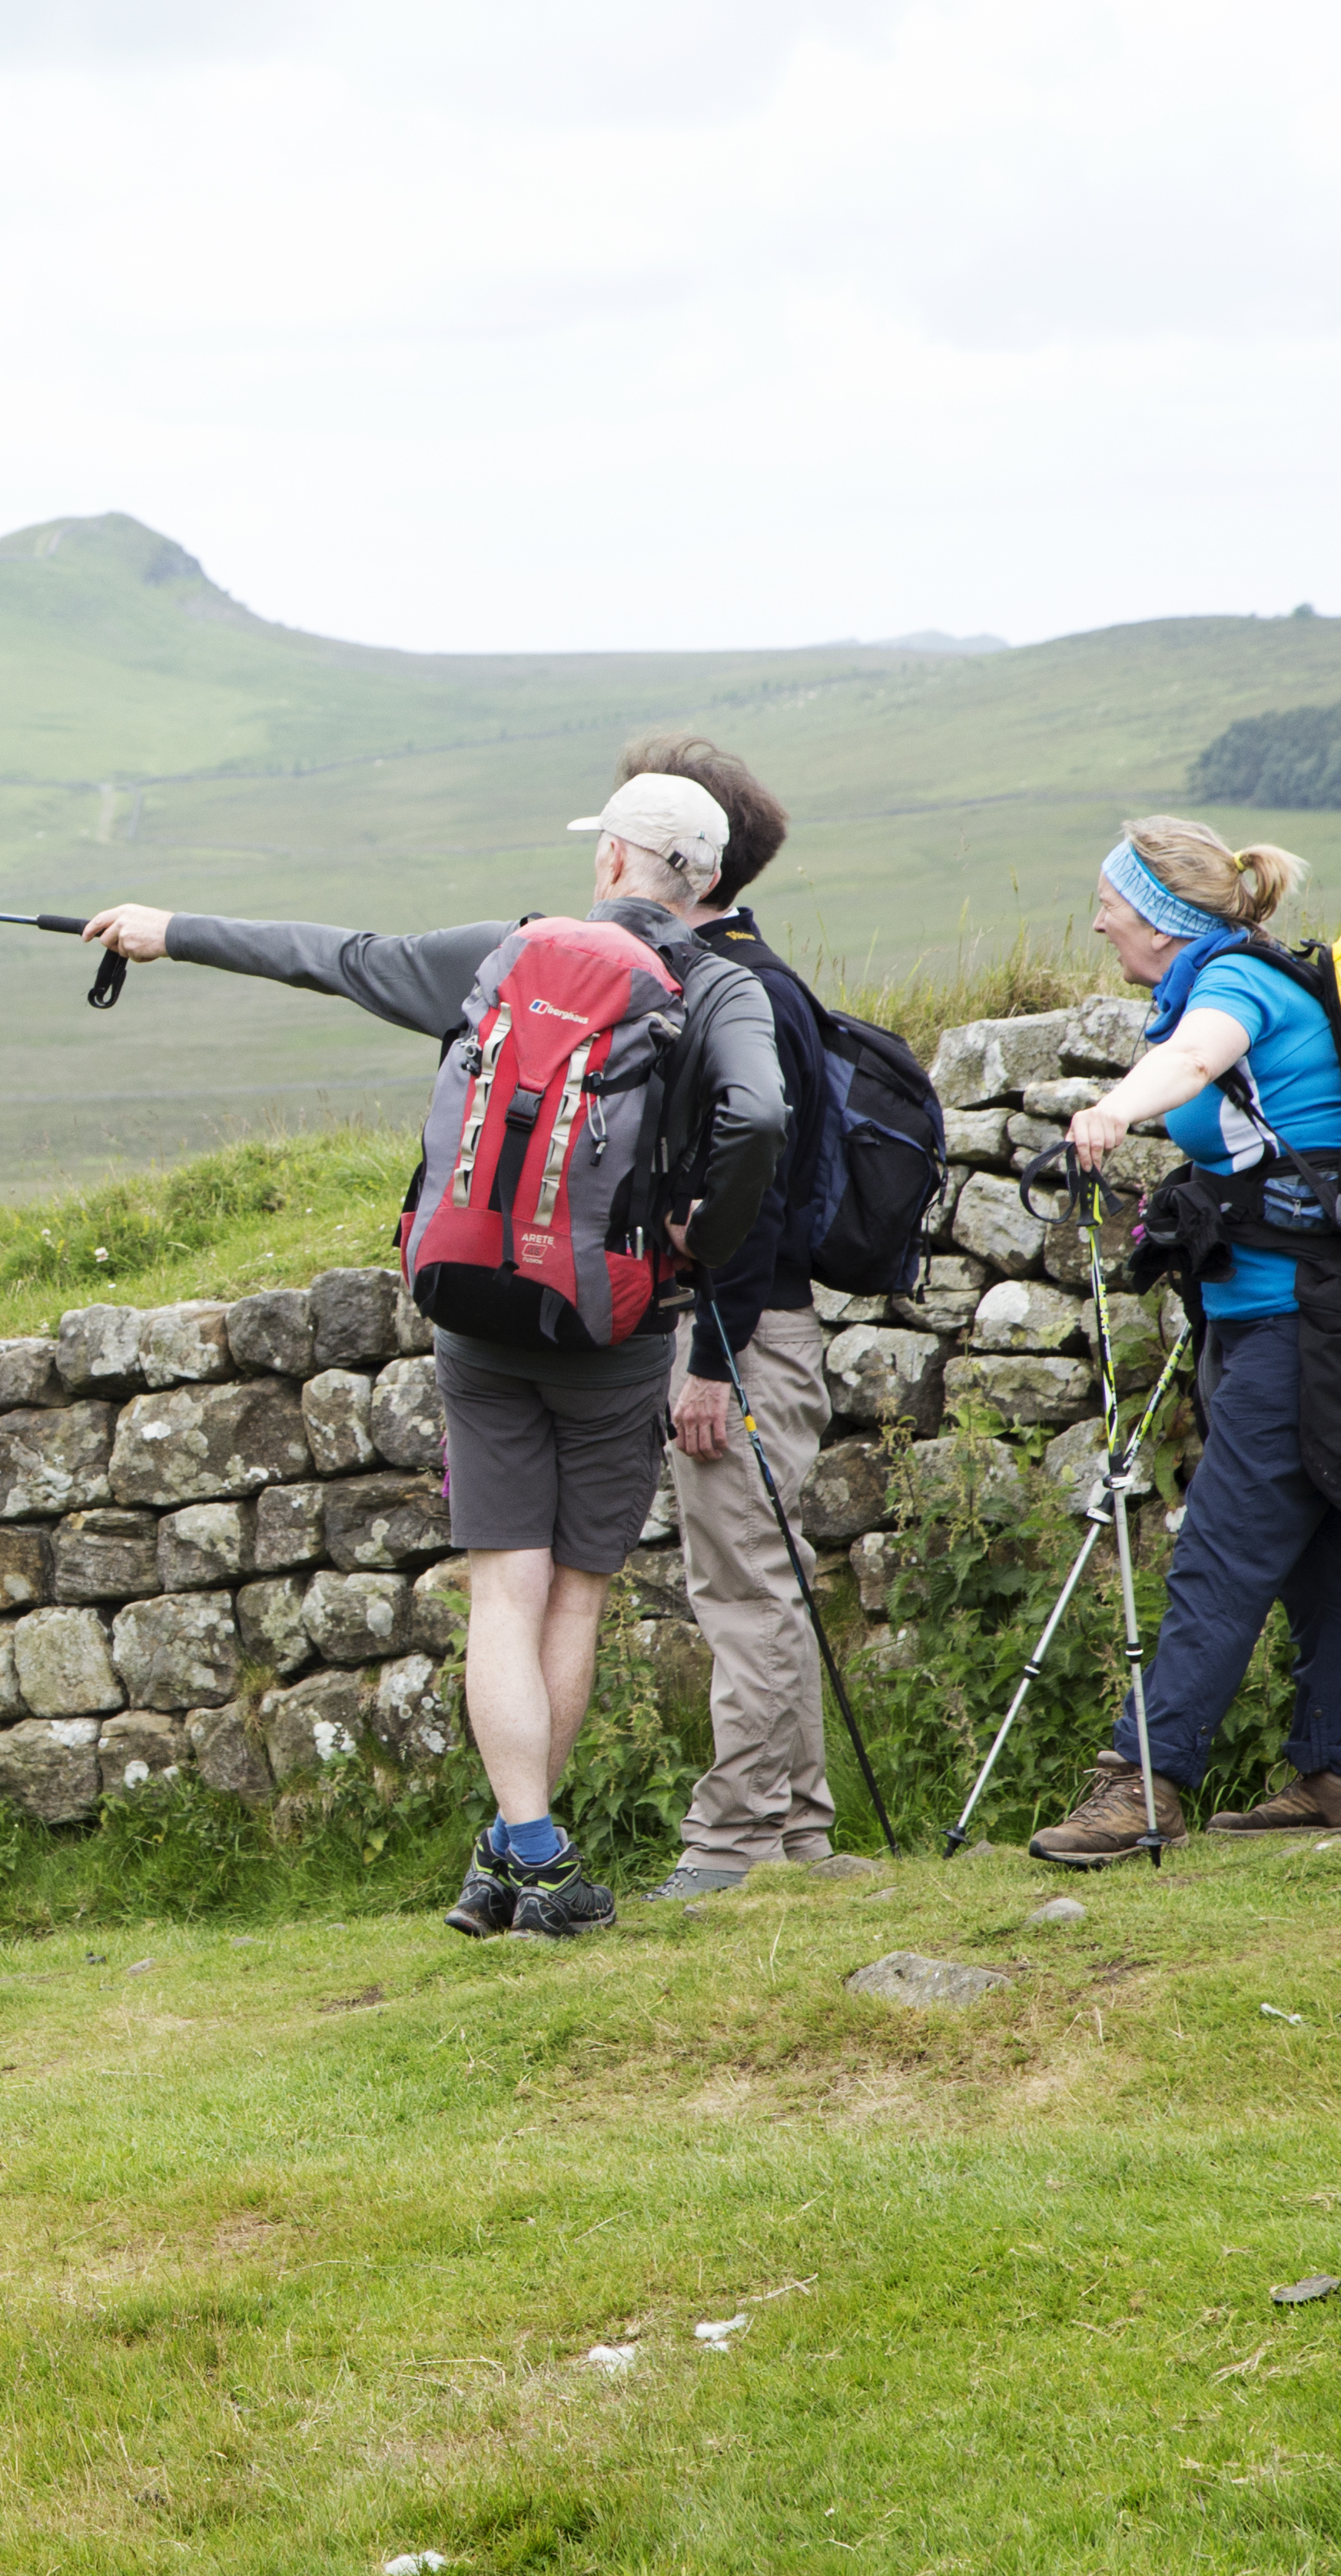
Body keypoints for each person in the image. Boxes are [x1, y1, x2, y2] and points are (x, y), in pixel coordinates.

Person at [85, 770, 788, 1940]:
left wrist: (174, 932)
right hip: (612, 1327)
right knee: (574, 1593)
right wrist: (697, 1242)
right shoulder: (722, 989)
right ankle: (533, 1855)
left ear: (614, 860)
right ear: (705, 878)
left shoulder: (501, 954)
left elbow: (341, 955)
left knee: (503, 1589)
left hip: (471, 1314)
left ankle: (513, 1855)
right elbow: (758, 1122)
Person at [1031, 815, 1341, 1867]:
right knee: (1324, 1554)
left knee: (1223, 1551)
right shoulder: (1233, 978)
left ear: (1161, 917)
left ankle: (1143, 1785)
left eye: (1111, 903)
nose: (1098, 920)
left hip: (1299, 1323)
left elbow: (1196, 1061)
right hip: (1288, 1314)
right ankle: (1338, 1775)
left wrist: (1111, 1112)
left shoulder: (1236, 987)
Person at [614, 739, 845, 1901]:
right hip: (764, 1329)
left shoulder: (732, 995)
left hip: (742, 1335)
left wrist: (711, 1357)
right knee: (767, 1572)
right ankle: (798, 1834)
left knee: (743, 1585)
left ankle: (731, 1846)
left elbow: (753, 1193)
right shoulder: (757, 983)